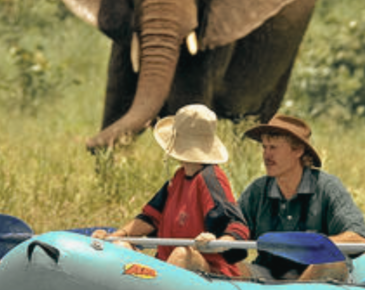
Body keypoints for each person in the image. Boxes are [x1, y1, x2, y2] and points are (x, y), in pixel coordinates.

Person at [92, 104, 249, 277]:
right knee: (120, 246)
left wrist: (219, 242)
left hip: (210, 271)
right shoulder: (178, 178)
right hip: (167, 267)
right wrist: (115, 236)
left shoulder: (211, 178)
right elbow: (151, 218)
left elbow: (236, 224)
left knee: (182, 254)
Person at [238, 114, 365, 281]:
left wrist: (305, 245)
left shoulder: (327, 187)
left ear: (298, 151)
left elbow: (360, 238)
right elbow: (233, 229)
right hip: (269, 275)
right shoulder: (257, 190)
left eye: (274, 148)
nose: (266, 155)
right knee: (230, 268)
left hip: (319, 280)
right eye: (264, 147)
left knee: (330, 265)